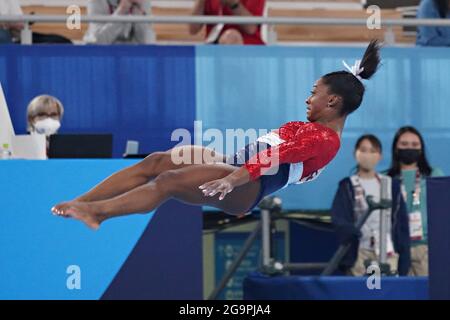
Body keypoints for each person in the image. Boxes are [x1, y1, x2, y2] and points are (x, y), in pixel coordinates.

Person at [51, 40, 381, 230]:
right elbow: (262, 149)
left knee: (168, 181)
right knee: (156, 161)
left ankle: (98, 214)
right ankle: (83, 201)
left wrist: (231, 180)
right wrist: (227, 166)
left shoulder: (325, 140)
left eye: (314, 93)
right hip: (236, 167)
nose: (309, 99)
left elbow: (272, 157)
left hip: (248, 184)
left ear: (333, 101)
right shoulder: (311, 129)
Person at [331, 135, 410, 276]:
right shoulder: (347, 186)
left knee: (387, 292)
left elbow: (401, 223)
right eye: (363, 150)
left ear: (379, 156)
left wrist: (404, 257)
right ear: (355, 153)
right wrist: (351, 233)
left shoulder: (391, 185)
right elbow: (339, 218)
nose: (368, 155)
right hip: (359, 253)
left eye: (373, 151)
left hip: (388, 251)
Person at [386, 126, 444, 276]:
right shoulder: (386, 179)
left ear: (421, 149)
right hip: (395, 249)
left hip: (427, 248)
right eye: (404, 144)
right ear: (396, 148)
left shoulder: (435, 175)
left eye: (414, 145)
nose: (409, 148)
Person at [189, 0, 265, 45]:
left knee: (231, 37)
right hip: (214, 46)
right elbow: (192, 29)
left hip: (248, 47)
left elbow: (251, 29)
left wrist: (233, 4)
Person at [83, 0, 153, 44]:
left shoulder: (143, 1)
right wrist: (121, 11)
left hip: (131, 58)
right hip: (105, 58)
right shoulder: (96, 1)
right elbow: (96, 42)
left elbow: (146, 42)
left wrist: (138, 12)